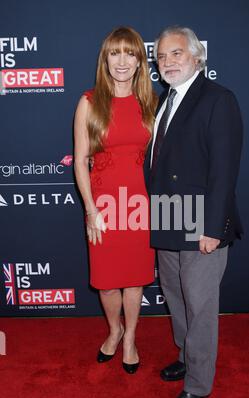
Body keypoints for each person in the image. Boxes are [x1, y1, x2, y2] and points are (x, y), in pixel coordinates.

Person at [144, 26, 243, 398]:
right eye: (162, 57)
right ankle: (187, 356)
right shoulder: (163, 101)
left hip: (202, 222)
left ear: (197, 57)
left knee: (200, 305)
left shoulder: (219, 100)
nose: (167, 62)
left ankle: (198, 385)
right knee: (176, 296)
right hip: (168, 216)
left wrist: (212, 228)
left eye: (176, 54)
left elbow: (224, 170)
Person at [74, 27, 157, 374]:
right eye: (114, 53)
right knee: (107, 282)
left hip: (141, 207)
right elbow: (80, 160)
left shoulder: (152, 104)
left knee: (135, 279)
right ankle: (114, 329)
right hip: (104, 208)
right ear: (105, 59)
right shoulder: (90, 102)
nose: (122, 61)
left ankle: (130, 339)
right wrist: (91, 211)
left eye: (130, 53)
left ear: (139, 61)